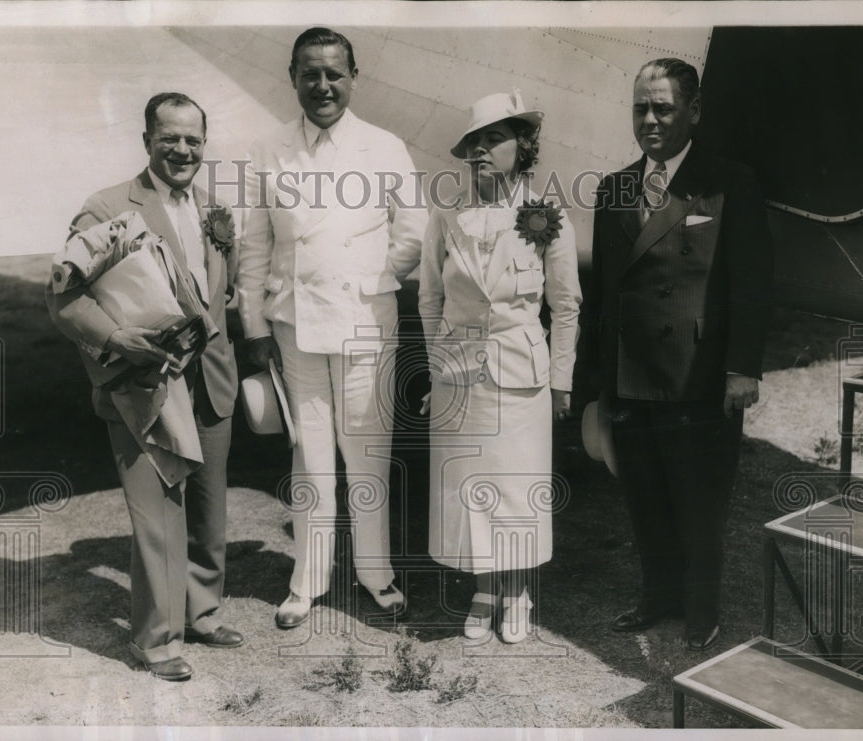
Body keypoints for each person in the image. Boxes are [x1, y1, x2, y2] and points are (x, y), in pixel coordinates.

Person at [46, 92, 242, 681]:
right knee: (157, 514)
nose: (182, 150)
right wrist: (114, 339)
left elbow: (218, 296)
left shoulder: (212, 209)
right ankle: (156, 639)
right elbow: (63, 296)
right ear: (147, 141)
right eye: (170, 138)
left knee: (209, 508)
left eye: (193, 140)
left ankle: (202, 613)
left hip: (210, 381)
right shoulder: (106, 206)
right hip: (146, 388)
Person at [581, 58, 774, 651]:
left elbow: (752, 283)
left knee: (699, 499)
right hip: (632, 374)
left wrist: (742, 368)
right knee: (644, 495)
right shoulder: (614, 187)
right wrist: (594, 386)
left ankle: (701, 608)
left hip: (698, 374)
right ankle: (657, 596)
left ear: (693, 110)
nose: (650, 120)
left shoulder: (728, 182)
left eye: (663, 107)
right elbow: (603, 297)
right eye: (641, 107)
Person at [237, 27, 426, 629]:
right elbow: (254, 245)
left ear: (353, 77)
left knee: (366, 454)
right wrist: (254, 323)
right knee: (309, 457)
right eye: (310, 73)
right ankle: (307, 579)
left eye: (334, 73)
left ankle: (376, 574)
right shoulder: (268, 150)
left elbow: (413, 234)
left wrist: (369, 281)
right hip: (294, 325)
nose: (323, 85)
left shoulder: (384, 147)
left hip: (366, 323)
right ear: (293, 77)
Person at [418, 91, 582, 643]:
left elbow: (565, 305)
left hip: (522, 375)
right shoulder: (447, 216)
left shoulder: (546, 216)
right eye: (474, 143)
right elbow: (430, 300)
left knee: (517, 486)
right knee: (473, 487)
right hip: (460, 377)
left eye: (493, 140)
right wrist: (435, 368)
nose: (481, 152)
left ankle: (518, 588)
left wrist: (561, 381)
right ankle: (486, 586)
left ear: (523, 147)